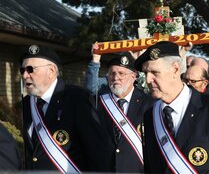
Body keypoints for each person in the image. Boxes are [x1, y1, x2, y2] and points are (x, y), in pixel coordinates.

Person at [135, 41, 209, 173]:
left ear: (175, 69)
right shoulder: (150, 115)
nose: (148, 79)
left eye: (154, 72)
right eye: (146, 73)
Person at [20, 44, 107, 172]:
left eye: (30, 69)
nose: (25, 75)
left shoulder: (77, 98)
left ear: (51, 71)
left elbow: (97, 151)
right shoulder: (27, 103)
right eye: (22, 70)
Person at [95, 52, 153, 173]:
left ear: (134, 76)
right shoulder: (97, 103)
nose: (116, 78)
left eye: (121, 73)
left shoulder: (149, 104)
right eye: (112, 73)